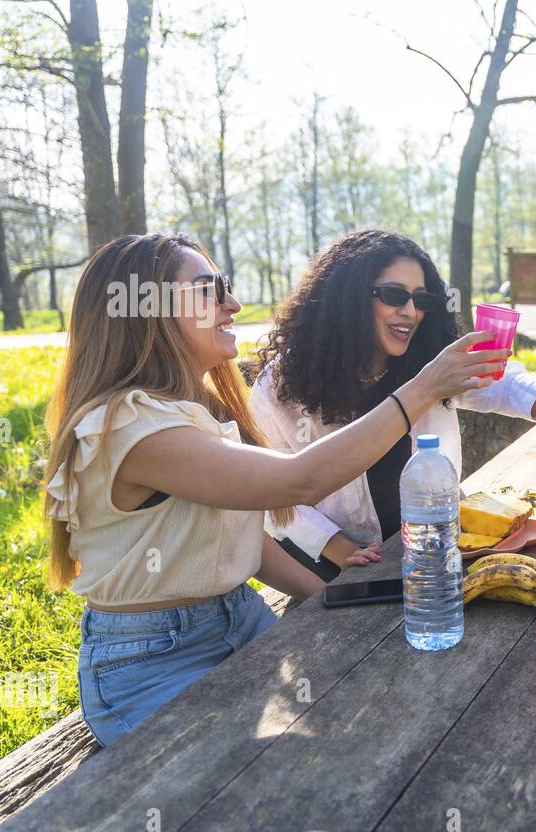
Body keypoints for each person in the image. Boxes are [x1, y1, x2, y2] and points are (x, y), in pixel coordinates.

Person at [44, 233, 505, 746]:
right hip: (153, 658)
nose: (232, 303)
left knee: (365, 722)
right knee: (237, 790)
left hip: (239, 616)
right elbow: (298, 480)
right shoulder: (129, 427)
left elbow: (239, 536)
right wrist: (422, 388)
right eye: (209, 290)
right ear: (143, 309)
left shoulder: (190, 410)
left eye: (226, 287)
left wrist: (332, 597)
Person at [249, 230, 536, 581]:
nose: (411, 311)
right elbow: (270, 493)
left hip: (439, 551)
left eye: (422, 300)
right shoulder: (281, 387)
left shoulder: (427, 356)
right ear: (348, 297)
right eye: (395, 296)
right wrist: (336, 546)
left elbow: (503, 384)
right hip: (347, 571)